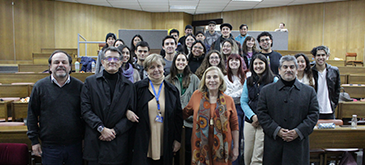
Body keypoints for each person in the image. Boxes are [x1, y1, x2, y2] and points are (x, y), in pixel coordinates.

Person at [257, 55, 319, 165]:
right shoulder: (266, 91)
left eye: (291, 67)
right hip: (274, 145)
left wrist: (298, 131)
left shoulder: (309, 92)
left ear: (296, 69)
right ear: (279, 70)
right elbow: (262, 114)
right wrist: (277, 131)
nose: (288, 70)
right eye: (285, 67)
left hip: (298, 145)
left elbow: (313, 115)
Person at [81, 47, 136, 165]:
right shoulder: (90, 82)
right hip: (96, 140)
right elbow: (85, 110)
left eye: (116, 58)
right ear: (102, 62)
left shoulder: (129, 86)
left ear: (121, 62)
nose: (112, 61)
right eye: (108, 58)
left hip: (118, 143)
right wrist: (101, 129)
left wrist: (114, 131)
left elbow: (132, 114)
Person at [27, 50, 84, 164]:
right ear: (50, 67)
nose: (60, 65)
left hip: (75, 145)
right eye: (56, 62)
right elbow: (32, 115)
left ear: (70, 67)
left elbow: (86, 114)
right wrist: (34, 141)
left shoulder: (80, 87)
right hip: (50, 146)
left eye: (64, 62)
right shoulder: (40, 87)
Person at [132, 54, 183, 165]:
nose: (156, 70)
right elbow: (129, 107)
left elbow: (178, 118)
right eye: (152, 67)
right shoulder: (138, 88)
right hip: (143, 139)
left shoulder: (172, 90)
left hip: (165, 137)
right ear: (146, 70)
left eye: (158, 66)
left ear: (163, 68)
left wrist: (177, 139)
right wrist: (128, 112)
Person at [183, 66, 239, 165]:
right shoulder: (196, 96)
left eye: (215, 77)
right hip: (200, 144)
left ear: (221, 80)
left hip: (223, 145)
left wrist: (236, 148)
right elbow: (183, 114)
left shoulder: (228, 100)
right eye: (208, 77)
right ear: (204, 81)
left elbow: (234, 126)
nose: (212, 80)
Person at [240, 54, 277, 165]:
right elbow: (243, 101)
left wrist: (261, 117)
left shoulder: (274, 80)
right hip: (250, 121)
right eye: (255, 64)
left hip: (265, 122)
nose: (258, 66)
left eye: (261, 63)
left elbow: (275, 103)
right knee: (247, 154)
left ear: (266, 64)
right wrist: (253, 116)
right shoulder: (249, 80)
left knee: (258, 155)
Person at [165, 52, 200, 165]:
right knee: (174, 149)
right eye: (178, 60)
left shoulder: (194, 78)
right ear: (174, 62)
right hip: (173, 122)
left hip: (190, 121)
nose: (180, 62)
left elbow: (199, 98)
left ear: (187, 62)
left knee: (189, 149)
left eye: (183, 60)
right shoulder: (168, 79)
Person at [223, 53, 247, 165]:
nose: (234, 62)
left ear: (240, 62)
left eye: (236, 60)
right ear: (228, 63)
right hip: (229, 109)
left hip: (243, 108)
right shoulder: (224, 78)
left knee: (243, 139)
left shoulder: (246, 76)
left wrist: (232, 95)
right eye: (231, 60)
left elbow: (244, 93)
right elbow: (224, 93)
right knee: (232, 138)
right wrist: (236, 94)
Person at [311, 46, 340, 119]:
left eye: (323, 55)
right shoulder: (310, 71)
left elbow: (337, 90)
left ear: (327, 56)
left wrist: (334, 104)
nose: (321, 57)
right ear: (314, 57)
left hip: (329, 109)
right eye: (318, 55)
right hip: (314, 110)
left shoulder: (334, 71)